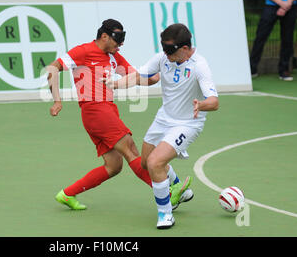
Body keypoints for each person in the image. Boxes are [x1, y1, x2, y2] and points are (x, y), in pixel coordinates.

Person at [47, 19, 191, 211]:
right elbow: (52, 68)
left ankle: (67, 194)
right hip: (96, 111)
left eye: (123, 38)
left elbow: (141, 78)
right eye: (117, 38)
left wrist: (159, 75)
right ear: (104, 36)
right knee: (132, 150)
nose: (120, 43)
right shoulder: (83, 51)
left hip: (103, 112)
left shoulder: (115, 57)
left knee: (114, 166)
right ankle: (167, 194)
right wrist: (57, 100)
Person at [107, 23, 219, 229]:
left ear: (185, 48)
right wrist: (114, 84)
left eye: (170, 49)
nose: (166, 53)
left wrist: (201, 104)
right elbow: (138, 76)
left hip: (187, 124)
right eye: (164, 48)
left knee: (156, 163)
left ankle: (165, 214)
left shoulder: (199, 66)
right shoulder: (162, 59)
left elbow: (214, 101)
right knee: (145, 162)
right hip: (163, 119)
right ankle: (180, 189)